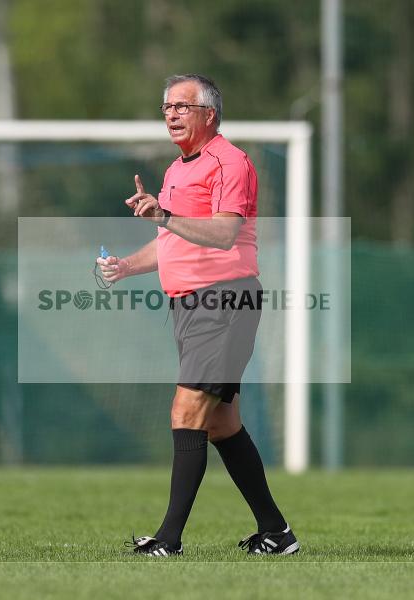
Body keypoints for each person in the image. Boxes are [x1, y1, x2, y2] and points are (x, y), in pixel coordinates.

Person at [97, 74, 298, 557]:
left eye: (182, 106)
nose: (171, 113)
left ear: (209, 114)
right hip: (191, 306)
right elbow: (172, 241)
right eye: (167, 106)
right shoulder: (175, 170)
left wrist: (164, 215)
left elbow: (225, 234)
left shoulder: (231, 162)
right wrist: (125, 267)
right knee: (222, 424)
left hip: (224, 301)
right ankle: (277, 532)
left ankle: (168, 540)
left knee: (185, 412)